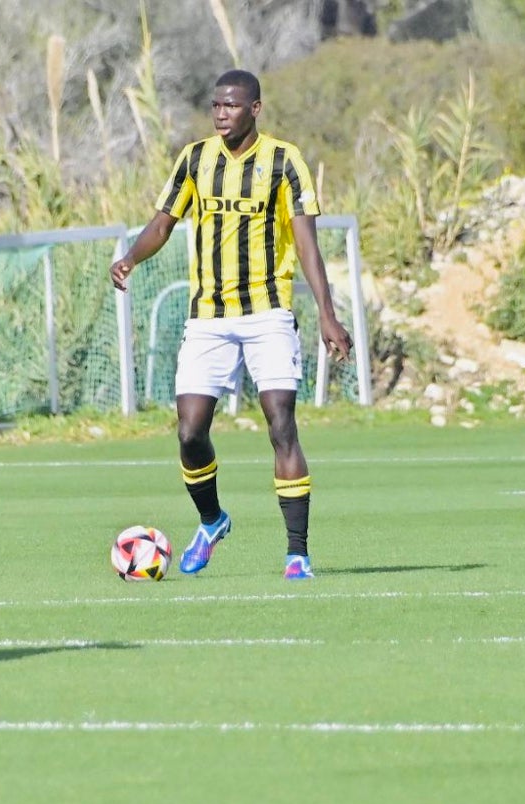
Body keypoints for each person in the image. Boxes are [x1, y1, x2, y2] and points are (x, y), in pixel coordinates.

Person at [109, 69, 353, 580]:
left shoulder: (285, 161)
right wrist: (131, 258)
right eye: (216, 105)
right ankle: (212, 519)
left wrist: (327, 314)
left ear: (255, 109)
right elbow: (162, 223)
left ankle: (297, 554)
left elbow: (307, 243)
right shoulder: (195, 159)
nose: (221, 113)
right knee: (189, 431)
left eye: (232, 106)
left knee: (281, 424)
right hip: (208, 317)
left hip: (267, 313)